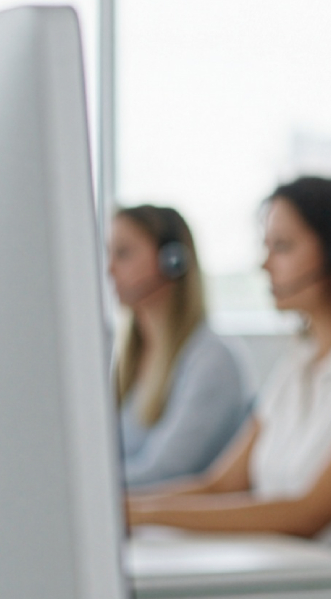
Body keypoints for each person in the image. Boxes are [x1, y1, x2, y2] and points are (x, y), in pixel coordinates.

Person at [129, 177, 331, 599]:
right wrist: (128, 505)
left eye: (282, 246)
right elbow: (221, 485)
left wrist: (142, 513)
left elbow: (307, 515)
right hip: (294, 575)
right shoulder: (298, 365)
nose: (265, 265)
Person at [109, 205, 251, 490]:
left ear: (172, 261)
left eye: (123, 253)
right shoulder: (128, 358)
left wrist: (84, 484)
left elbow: (166, 471)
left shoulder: (212, 360)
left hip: (174, 514)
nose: (109, 269)